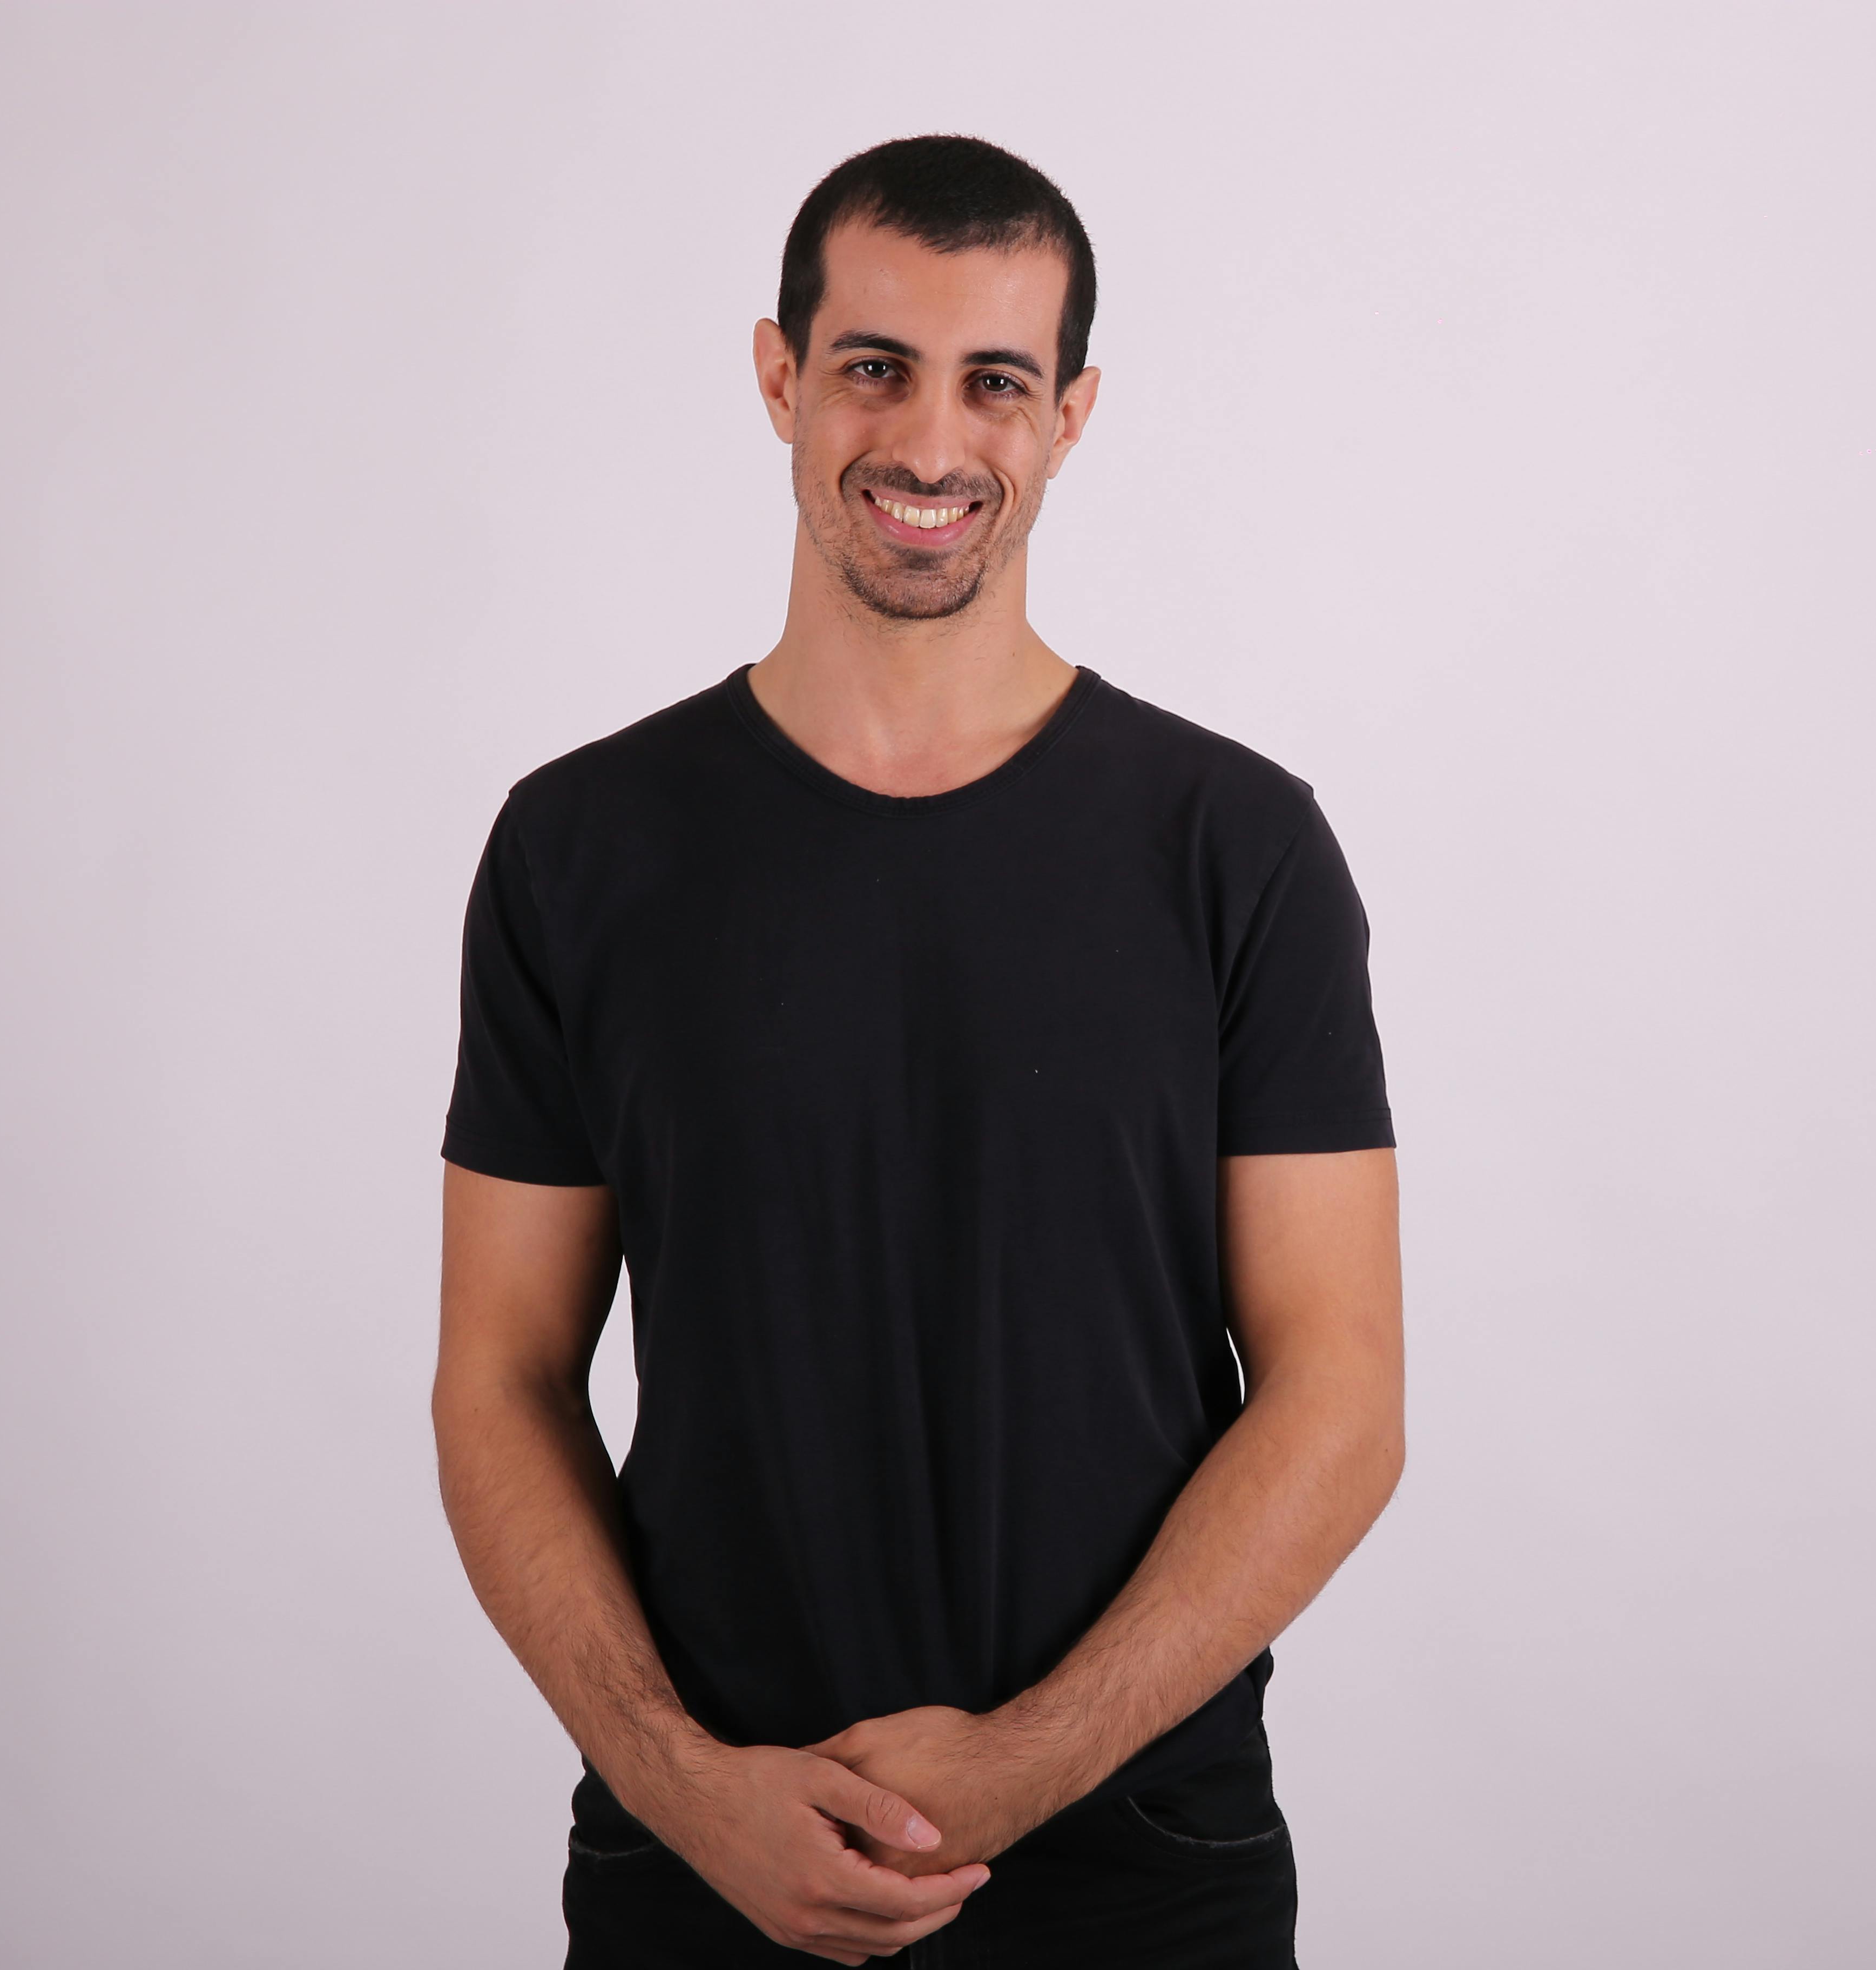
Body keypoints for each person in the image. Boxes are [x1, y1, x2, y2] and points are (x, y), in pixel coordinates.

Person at [430, 134, 1403, 1968]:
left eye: (997, 384)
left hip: (1144, 1856)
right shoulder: (581, 848)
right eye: (875, 366)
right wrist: (678, 1776)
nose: (934, 444)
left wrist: (1026, 1762)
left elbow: (1342, 1395)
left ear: (1073, 416)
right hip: (704, 1854)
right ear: (781, 377)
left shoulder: (1236, 848)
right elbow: (500, 1377)